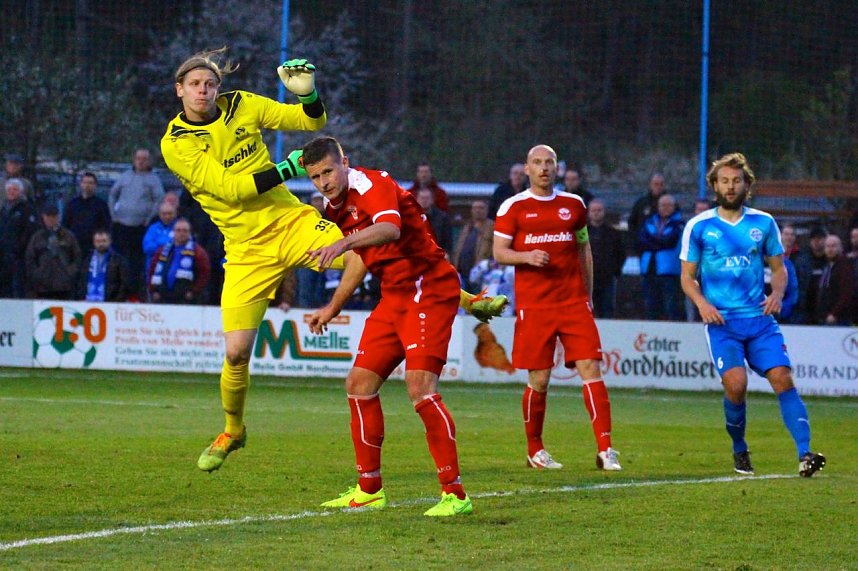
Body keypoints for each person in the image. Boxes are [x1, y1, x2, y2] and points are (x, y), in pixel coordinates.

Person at [160, 49, 503, 474]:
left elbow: (312, 124)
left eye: (209, 83)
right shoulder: (176, 143)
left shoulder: (241, 104)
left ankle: (467, 299)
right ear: (180, 91)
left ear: (218, 87)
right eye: (194, 85)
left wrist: (308, 96)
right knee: (235, 354)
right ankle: (233, 430)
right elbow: (230, 190)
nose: (203, 90)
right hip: (245, 250)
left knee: (371, 246)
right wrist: (287, 170)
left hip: (291, 223)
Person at [302, 136, 482, 517]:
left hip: (428, 287)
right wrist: (333, 306)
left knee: (420, 388)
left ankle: (455, 494)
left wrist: (341, 244)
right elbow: (362, 258)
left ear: (345, 162)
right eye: (315, 177)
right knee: (359, 384)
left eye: (328, 172)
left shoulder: (372, 184)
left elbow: (390, 229)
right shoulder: (333, 206)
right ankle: (369, 489)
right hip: (395, 294)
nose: (323, 182)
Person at [680, 152, 825, 477]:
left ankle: (805, 454)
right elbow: (687, 277)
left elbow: (779, 268)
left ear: (747, 185)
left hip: (759, 321)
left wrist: (777, 293)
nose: (730, 187)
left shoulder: (763, 223)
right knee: (736, 385)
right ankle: (739, 449)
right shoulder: (699, 227)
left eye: (736, 181)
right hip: (722, 323)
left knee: (782, 378)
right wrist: (703, 304)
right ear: (714, 185)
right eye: (724, 181)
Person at [493, 144, 621, 472]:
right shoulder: (513, 207)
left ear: (557, 169)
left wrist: (587, 295)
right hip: (535, 307)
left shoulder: (574, 205)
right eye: (537, 162)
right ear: (527, 169)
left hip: (573, 302)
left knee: (591, 367)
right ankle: (535, 449)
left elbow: (583, 250)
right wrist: (526, 256)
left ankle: (606, 449)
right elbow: (499, 253)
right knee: (540, 378)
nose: (544, 168)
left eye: (549, 162)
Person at [109, 148, 165, 298]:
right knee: (119, 260)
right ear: (134, 159)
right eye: (138, 158)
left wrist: (149, 218)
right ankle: (118, 292)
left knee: (136, 263)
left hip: (141, 228)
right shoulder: (125, 176)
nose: (141, 161)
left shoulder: (153, 179)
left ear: (149, 161)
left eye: (144, 159)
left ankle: (135, 294)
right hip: (121, 226)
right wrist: (113, 215)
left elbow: (159, 200)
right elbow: (113, 194)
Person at [637, 194, 685, 321]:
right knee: (650, 305)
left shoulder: (679, 224)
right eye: (662, 205)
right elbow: (641, 241)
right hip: (648, 270)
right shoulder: (649, 222)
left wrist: (652, 241)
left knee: (670, 305)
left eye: (669, 205)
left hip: (669, 271)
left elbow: (669, 241)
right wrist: (658, 241)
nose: (665, 208)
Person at [147, 218, 211, 304]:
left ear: (190, 233)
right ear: (173, 232)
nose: (181, 233)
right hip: (162, 298)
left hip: (186, 300)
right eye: (178, 230)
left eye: (185, 231)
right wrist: (153, 290)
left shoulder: (198, 252)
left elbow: (204, 274)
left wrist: (194, 291)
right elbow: (152, 270)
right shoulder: (162, 250)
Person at [25, 204, 82, 299]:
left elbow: (77, 257)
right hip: (42, 287)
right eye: (48, 216)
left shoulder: (69, 236)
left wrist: (69, 273)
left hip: (64, 287)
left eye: (54, 216)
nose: (51, 219)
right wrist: (37, 274)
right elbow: (29, 258)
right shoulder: (37, 237)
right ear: (43, 217)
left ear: (59, 217)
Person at [587, 198, 625, 318]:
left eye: (599, 210)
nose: (596, 213)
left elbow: (621, 254)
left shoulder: (613, 233)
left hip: (607, 279)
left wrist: (615, 271)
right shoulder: (582, 233)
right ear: (589, 212)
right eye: (593, 210)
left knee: (607, 310)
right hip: (587, 280)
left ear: (604, 212)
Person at [0, 178, 39, 298]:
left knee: (17, 288)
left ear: (21, 192)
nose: (12, 192)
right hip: (3, 256)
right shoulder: (3, 210)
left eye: (15, 189)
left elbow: (29, 232)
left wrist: (18, 249)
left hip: (19, 257)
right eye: (9, 190)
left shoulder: (27, 209)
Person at [64, 172, 112, 255]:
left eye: (90, 183)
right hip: (74, 247)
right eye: (85, 182)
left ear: (95, 185)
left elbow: (106, 227)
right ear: (81, 184)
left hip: (93, 248)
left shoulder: (101, 205)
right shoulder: (72, 204)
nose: (87, 185)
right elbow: (65, 224)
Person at [451, 199, 494, 292]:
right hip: (462, 272)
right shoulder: (467, 226)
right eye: (475, 208)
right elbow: (458, 247)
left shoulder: (492, 227)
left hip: (480, 274)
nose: (477, 210)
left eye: (481, 208)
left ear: (487, 210)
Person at [78, 228, 131, 302]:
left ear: (110, 241)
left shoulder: (118, 260)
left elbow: (124, 282)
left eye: (104, 241)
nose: (101, 244)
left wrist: (117, 300)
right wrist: (81, 296)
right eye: (98, 241)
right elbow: (81, 280)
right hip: (88, 300)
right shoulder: (87, 259)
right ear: (93, 242)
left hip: (110, 302)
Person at [813, 234, 853, 326]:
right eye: (827, 246)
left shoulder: (844, 266)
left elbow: (846, 293)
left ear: (840, 248)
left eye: (833, 246)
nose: (830, 249)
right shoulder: (827, 266)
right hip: (824, 317)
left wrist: (834, 313)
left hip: (838, 319)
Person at [792, 225, 828, 325]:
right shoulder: (801, 261)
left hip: (824, 310)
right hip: (804, 309)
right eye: (814, 238)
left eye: (820, 238)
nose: (817, 241)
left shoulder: (830, 261)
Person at [627, 173, 666, 245]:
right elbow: (632, 222)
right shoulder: (641, 203)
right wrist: (637, 238)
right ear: (650, 185)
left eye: (661, 184)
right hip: (643, 244)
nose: (658, 187)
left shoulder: (670, 203)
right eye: (656, 184)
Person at [415, 187, 452, 254]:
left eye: (427, 198)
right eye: (422, 198)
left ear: (432, 200)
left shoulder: (442, 218)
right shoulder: (409, 217)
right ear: (417, 200)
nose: (424, 200)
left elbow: (447, 241)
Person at [142, 201, 178, 272]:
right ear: (159, 215)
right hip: (154, 269)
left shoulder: (179, 227)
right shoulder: (153, 228)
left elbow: (180, 247)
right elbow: (147, 248)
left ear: (175, 214)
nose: (167, 216)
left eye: (170, 213)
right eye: (164, 214)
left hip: (173, 269)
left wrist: (158, 243)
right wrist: (167, 244)